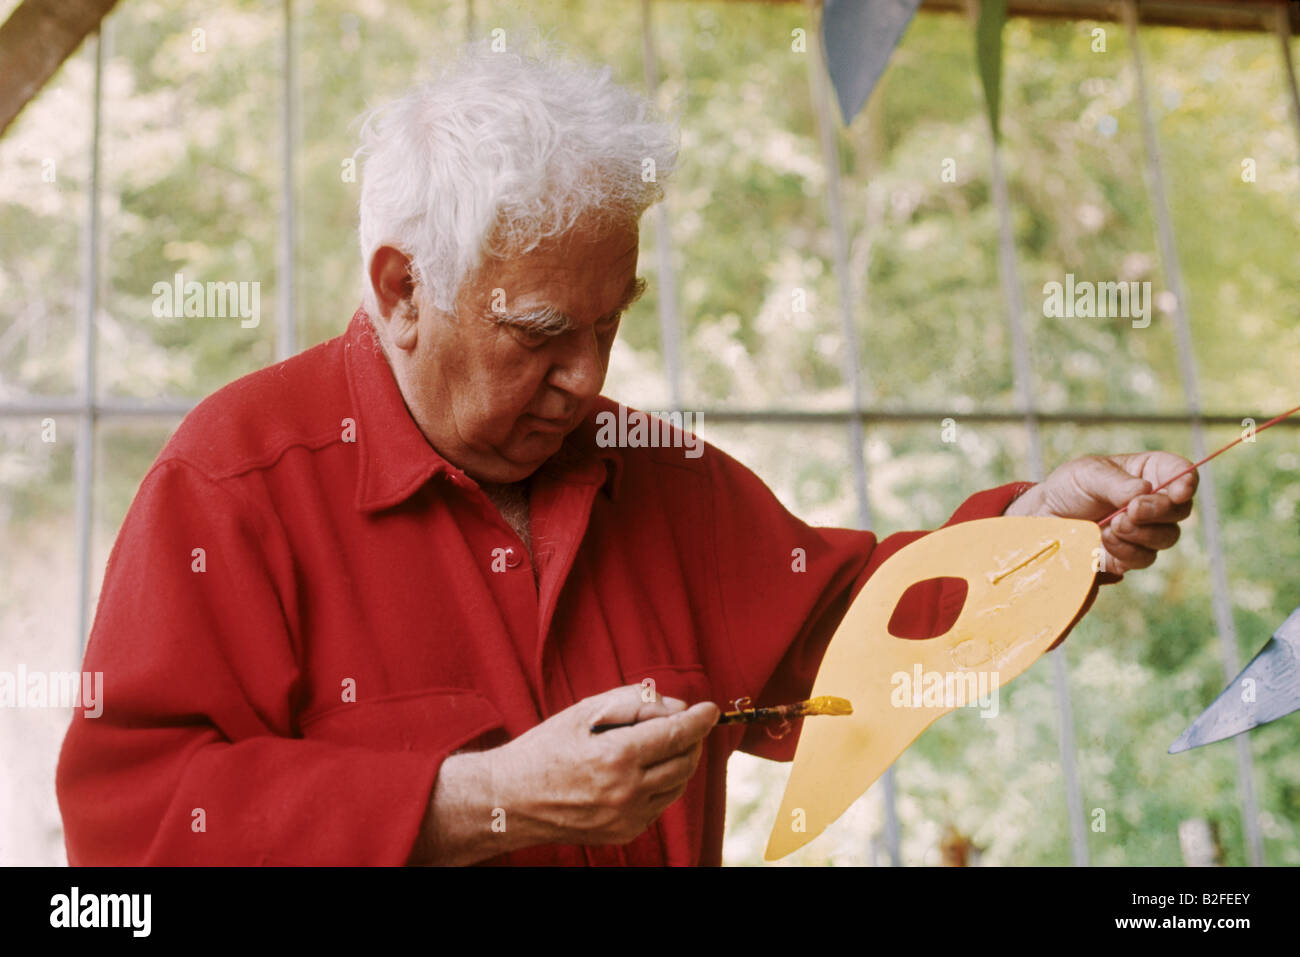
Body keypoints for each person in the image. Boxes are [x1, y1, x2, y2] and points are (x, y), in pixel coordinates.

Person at [55, 44, 1197, 866]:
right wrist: (477, 802)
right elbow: (130, 835)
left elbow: (856, 631)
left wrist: (1038, 538)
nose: (592, 381)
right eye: (544, 335)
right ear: (403, 291)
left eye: (613, 325)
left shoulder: (654, 472)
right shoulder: (234, 482)